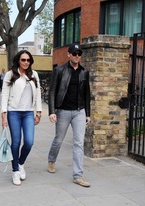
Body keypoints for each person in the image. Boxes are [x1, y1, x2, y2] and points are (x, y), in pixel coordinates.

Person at [47, 43, 91, 187]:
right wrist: (52, 111)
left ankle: (78, 175)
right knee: (58, 139)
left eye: (79, 54)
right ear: (69, 54)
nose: (77, 56)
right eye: (74, 53)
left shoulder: (84, 72)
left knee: (78, 143)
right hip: (63, 111)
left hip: (79, 111)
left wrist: (88, 114)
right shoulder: (59, 70)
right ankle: (52, 160)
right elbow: (52, 91)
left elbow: (87, 94)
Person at [1, 50, 42, 186]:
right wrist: (4, 114)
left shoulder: (34, 74)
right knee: (16, 142)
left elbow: (38, 94)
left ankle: (20, 163)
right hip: (14, 112)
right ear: (18, 60)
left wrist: (39, 112)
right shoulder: (10, 74)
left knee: (29, 142)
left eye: (28, 60)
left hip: (28, 112)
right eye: (23, 60)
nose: (26, 62)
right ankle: (15, 171)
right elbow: (4, 95)